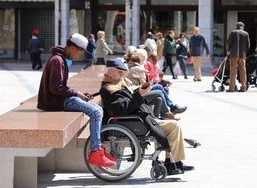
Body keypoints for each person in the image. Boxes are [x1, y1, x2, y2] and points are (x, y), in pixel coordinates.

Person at [99, 58, 194, 174]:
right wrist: (139, 95)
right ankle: (173, 164)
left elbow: (127, 102)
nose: (121, 74)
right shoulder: (109, 89)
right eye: (118, 71)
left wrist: (139, 91)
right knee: (173, 126)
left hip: (137, 119)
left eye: (122, 72)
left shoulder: (116, 83)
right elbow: (122, 109)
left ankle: (173, 163)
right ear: (110, 72)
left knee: (173, 126)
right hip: (133, 122)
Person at [37, 33, 116, 167]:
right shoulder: (58, 60)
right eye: (79, 53)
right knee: (96, 112)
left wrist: (79, 94)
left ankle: (99, 148)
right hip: (56, 102)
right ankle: (96, 151)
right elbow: (56, 88)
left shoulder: (60, 59)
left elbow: (59, 86)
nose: (78, 57)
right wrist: (76, 93)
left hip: (59, 99)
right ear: (74, 48)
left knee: (97, 109)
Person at [226, 22, 250, 92]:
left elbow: (228, 42)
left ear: (236, 26)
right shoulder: (246, 34)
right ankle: (243, 87)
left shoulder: (233, 32)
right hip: (242, 56)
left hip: (234, 55)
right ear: (243, 26)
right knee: (243, 71)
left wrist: (228, 50)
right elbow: (248, 46)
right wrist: (244, 51)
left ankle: (232, 88)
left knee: (233, 71)